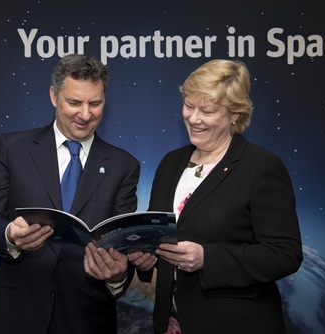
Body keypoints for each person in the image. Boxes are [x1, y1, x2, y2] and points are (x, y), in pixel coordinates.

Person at [0, 54, 140, 334]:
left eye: (94, 103)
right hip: (19, 314)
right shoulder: (13, 149)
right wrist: (11, 234)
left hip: (87, 319)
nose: (85, 114)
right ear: (53, 96)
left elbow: (121, 247)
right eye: (74, 102)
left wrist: (118, 275)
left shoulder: (124, 165)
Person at [129, 59, 303, 334]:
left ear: (235, 114)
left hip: (235, 324)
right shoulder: (171, 162)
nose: (194, 118)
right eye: (188, 106)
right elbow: (159, 235)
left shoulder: (261, 167)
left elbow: (285, 254)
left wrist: (207, 258)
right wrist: (146, 258)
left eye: (207, 111)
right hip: (171, 323)